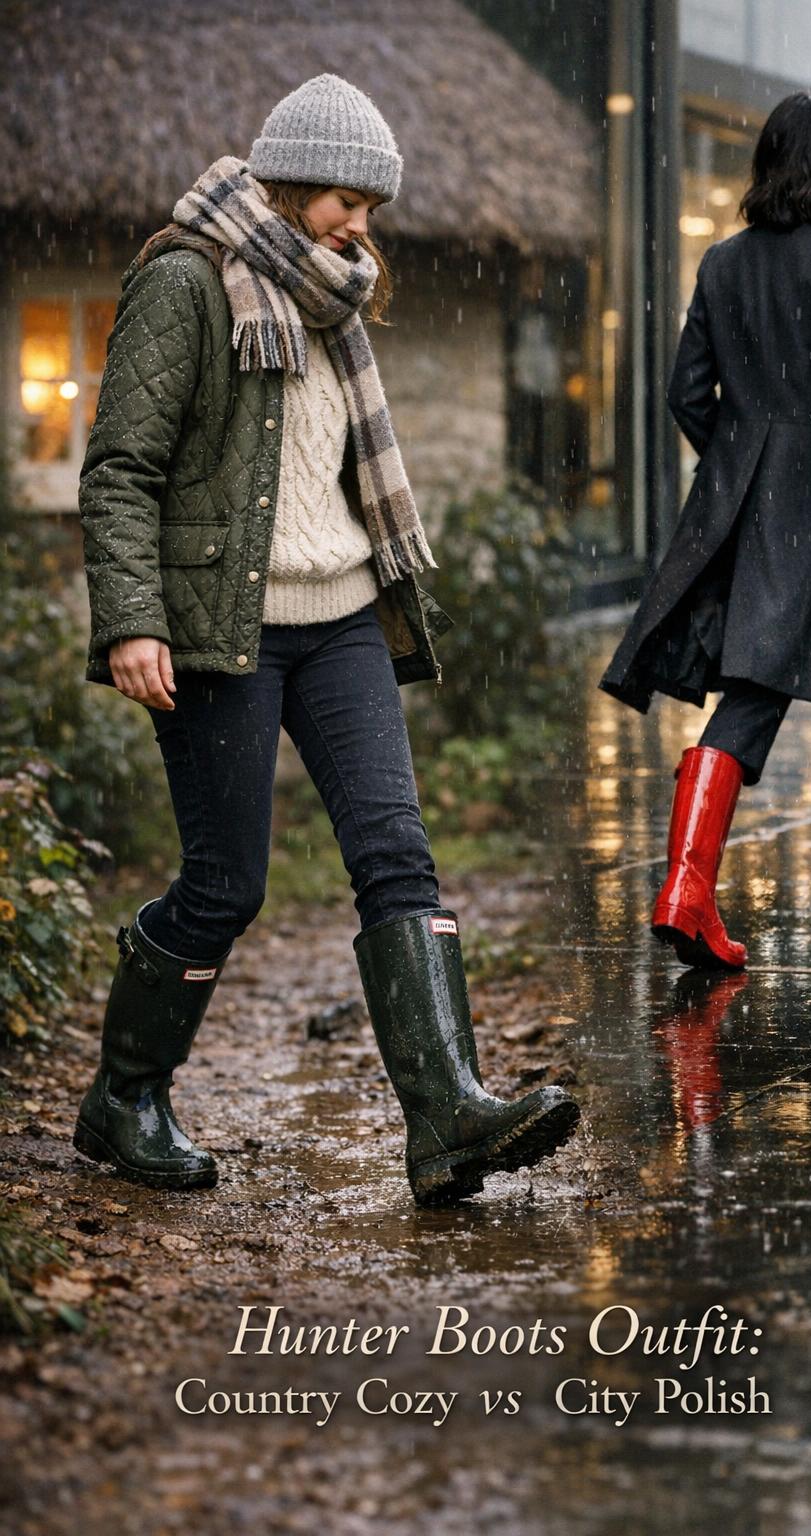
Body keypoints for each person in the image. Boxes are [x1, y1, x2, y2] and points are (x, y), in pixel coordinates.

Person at [73, 75, 579, 1204]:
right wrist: (132, 621)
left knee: (396, 856)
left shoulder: (332, 298)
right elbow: (118, 472)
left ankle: (448, 1116)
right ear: (293, 180)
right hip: (221, 632)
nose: (363, 229)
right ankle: (125, 1097)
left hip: (343, 613)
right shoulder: (185, 284)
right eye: (349, 201)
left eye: (372, 210)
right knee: (224, 887)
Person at [599, 91, 811, 969]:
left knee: (763, 685)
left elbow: (687, 394)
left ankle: (695, 886)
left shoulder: (722, 263)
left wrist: (747, 466)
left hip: (757, 513)